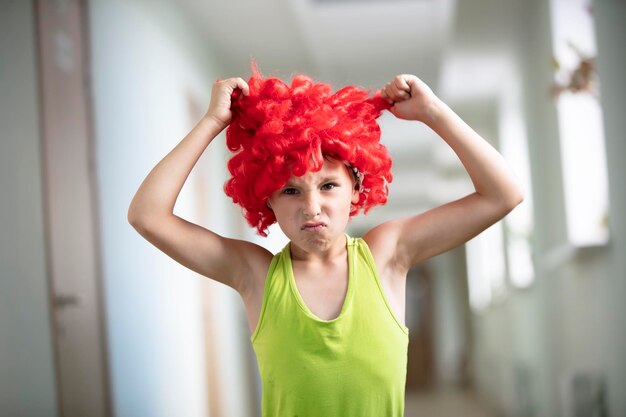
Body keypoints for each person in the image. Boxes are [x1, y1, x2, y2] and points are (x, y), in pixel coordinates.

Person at [127, 65, 524, 417]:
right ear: (266, 198)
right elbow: (148, 216)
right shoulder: (255, 274)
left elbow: (503, 194)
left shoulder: (386, 253)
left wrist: (433, 113)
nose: (311, 207)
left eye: (328, 185)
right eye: (290, 191)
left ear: (357, 188)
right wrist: (212, 122)